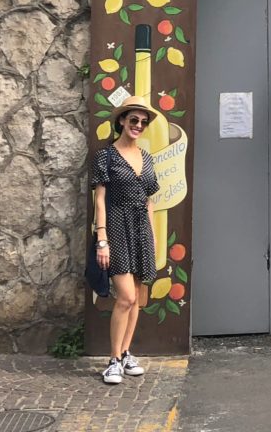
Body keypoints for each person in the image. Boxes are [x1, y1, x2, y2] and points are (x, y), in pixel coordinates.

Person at [91, 96, 161, 384]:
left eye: (143, 122)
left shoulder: (147, 158)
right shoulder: (106, 156)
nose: (138, 125)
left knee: (137, 301)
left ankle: (126, 352)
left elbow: (149, 202)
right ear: (121, 120)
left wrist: (153, 239)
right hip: (116, 228)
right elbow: (100, 199)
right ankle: (113, 360)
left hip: (141, 229)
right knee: (125, 297)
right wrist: (102, 239)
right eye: (133, 120)